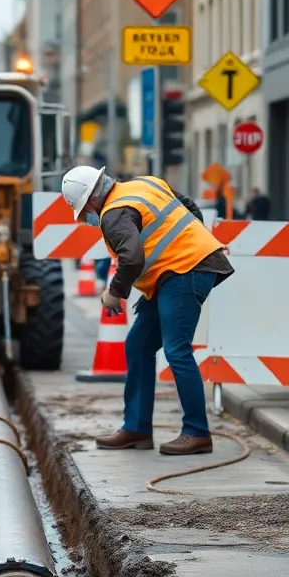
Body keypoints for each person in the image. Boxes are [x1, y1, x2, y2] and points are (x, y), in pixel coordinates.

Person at [61, 166, 235, 455]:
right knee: (139, 344)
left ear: (91, 202)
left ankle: (197, 433)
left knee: (176, 350)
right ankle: (137, 429)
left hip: (184, 271)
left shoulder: (113, 214)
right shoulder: (144, 185)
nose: (86, 220)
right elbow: (190, 208)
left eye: (83, 214)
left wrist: (114, 293)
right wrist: (199, 243)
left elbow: (131, 259)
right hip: (178, 272)